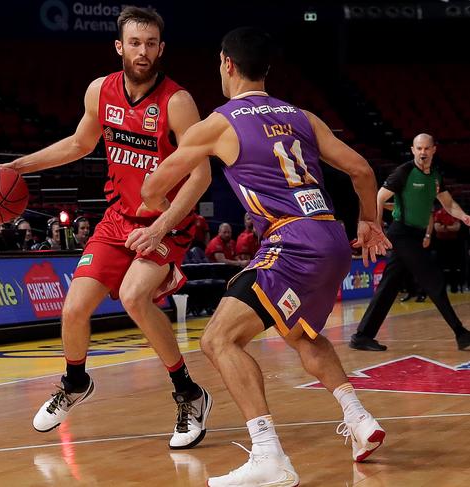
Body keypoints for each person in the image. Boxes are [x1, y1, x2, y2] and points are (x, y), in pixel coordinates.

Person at [127, 28, 391, 485]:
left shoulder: (219, 122)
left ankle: (269, 455)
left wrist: (158, 204)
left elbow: (152, 190)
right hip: (330, 237)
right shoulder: (301, 116)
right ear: (266, 69)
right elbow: (362, 170)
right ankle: (360, 418)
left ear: (227, 64)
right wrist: (369, 221)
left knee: (218, 340)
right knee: (300, 332)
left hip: (290, 241)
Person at [0, 6, 212, 449]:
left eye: (151, 43)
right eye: (135, 43)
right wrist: (20, 165)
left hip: (166, 222)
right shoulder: (101, 91)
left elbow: (201, 175)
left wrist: (161, 228)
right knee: (74, 308)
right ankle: (75, 382)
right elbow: (79, 143)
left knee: (134, 297)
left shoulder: (177, 101)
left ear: (161, 48)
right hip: (118, 219)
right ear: (120, 46)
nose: (143, 51)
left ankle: (190, 393)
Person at [350, 134, 470, 352]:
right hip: (401, 233)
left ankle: (362, 336)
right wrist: (377, 227)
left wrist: (464, 216)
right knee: (433, 279)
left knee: (389, 286)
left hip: (415, 235)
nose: (422, 152)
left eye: (426, 148)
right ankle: (461, 333)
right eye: (418, 148)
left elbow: (448, 203)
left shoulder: (435, 176)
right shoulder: (403, 172)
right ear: (413, 150)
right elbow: (379, 197)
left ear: (434, 149)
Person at [434, 206, 463, 293]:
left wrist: (444, 227)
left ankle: (454, 287)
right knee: (440, 265)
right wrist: (450, 227)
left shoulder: (455, 214)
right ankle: (441, 287)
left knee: (453, 265)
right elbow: (437, 228)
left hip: (453, 242)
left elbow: (457, 227)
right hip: (441, 242)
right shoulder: (438, 213)